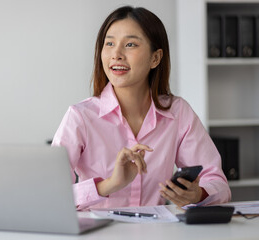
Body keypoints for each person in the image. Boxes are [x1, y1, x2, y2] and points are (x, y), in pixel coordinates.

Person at [52, 6, 231, 210]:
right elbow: (50, 194)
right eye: (109, 43)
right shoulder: (80, 117)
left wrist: (198, 194)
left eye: (130, 44)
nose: (116, 54)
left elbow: (218, 182)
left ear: (155, 58)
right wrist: (111, 184)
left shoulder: (177, 112)